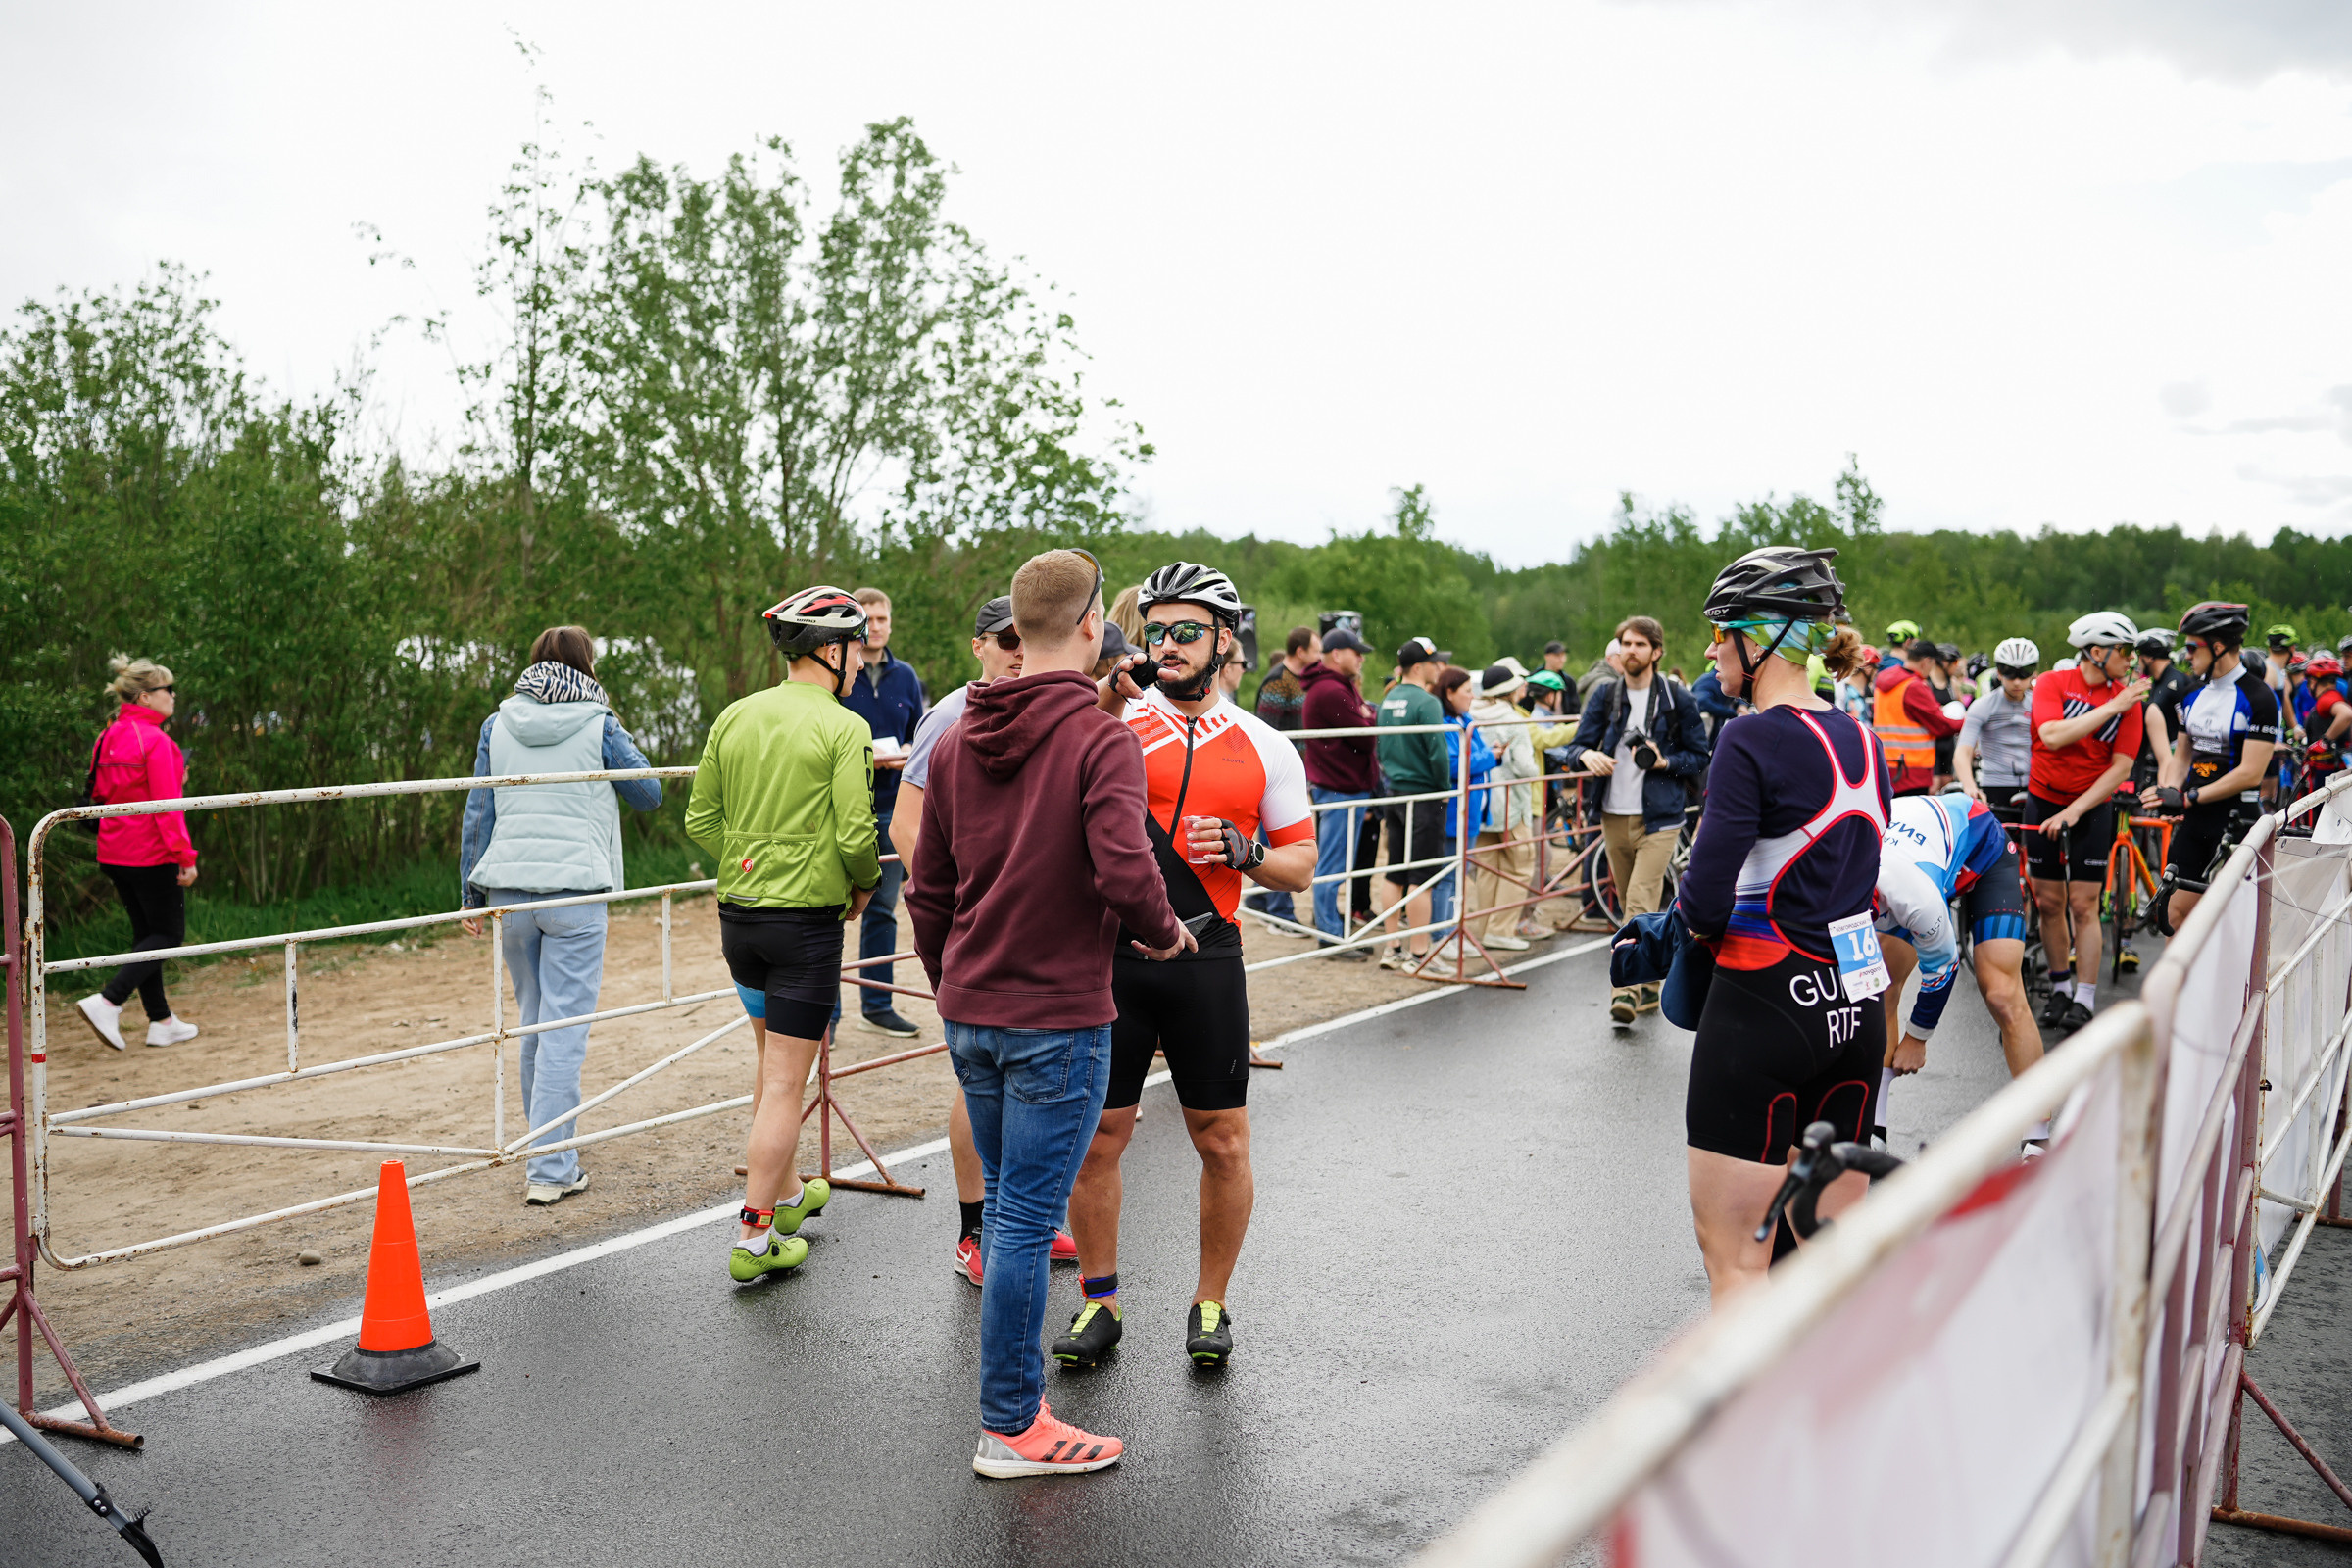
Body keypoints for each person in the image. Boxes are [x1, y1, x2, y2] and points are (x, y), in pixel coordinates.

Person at [906, 547, 1192, 1478]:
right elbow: (1122, 865)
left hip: (972, 1009)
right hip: (1056, 1017)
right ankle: (1012, 1426)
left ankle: (1011, 1415)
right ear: (1089, 626)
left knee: (1008, 1215)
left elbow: (929, 884)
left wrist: (951, 975)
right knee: (1028, 1222)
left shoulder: (952, 739)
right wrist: (1164, 933)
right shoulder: (1100, 740)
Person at [1052, 562, 1314, 1374]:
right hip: (1115, 956)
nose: (1166, 645)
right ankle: (1100, 1300)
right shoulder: (1118, 719)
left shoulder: (1265, 744)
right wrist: (1106, 698)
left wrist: (1248, 850)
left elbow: (1301, 865)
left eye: (1186, 631)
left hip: (1209, 955)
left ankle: (1210, 1301)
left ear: (1224, 640)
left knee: (1223, 1141)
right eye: (1155, 629)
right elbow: (1061, 774)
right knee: (1099, 1139)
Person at [1676, 547, 1885, 1306]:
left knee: (1740, 1269)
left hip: (1764, 1005)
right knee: (1822, 1264)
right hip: (1855, 1012)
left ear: (1759, 641)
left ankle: (1752, 1429)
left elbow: (1703, 902)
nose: (1709, 649)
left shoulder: (1748, 738)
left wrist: (1671, 932)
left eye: (1719, 631)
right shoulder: (1864, 738)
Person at [687, 587, 881, 1283]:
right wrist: (862, 884)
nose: (859, 661)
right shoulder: (845, 726)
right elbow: (859, 834)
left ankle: (792, 1193)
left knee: (773, 1068)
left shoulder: (735, 715)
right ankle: (755, 1236)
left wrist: (750, 860)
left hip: (739, 916)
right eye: (855, 647)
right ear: (830, 650)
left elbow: (701, 821)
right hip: (805, 925)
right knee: (782, 1086)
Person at [890, 596, 1081, 1285]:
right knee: (982, 1088)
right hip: (975, 939)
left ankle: (1027, 1224)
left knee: (1030, 1089)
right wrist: (968, 904)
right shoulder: (951, 715)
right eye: (1003, 642)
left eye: (1023, 639)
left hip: (1032, 945)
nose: (1016, 653)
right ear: (978, 646)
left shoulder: (1043, 709)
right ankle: (975, 1232)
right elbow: (905, 827)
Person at [456, 627, 665, 1206]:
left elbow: (480, 807)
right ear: (587, 666)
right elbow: (648, 792)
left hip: (511, 891)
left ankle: (543, 1144)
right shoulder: (598, 722)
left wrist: (471, 894)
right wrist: (613, 731)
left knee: (534, 1021)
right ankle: (551, 1167)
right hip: (574, 890)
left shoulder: (497, 724)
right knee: (565, 1030)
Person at [1871, 791, 2043, 1149]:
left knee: (2001, 992)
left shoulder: (1913, 896)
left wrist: (1917, 1037)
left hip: (1982, 850)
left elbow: (1944, 966)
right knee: (1881, 987)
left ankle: (2037, 1135)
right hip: (1918, 852)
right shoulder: (1837, 878)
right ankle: (1874, 1126)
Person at [1564, 615, 1711, 1023]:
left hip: (1660, 818)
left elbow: (1699, 757)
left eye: (1640, 644)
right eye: (1625, 643)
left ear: (1657, 651)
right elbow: (1573, 746)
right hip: (1613, 814)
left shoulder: (1677, 699)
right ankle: (1650, 983)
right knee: (1633, 902)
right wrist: (1585, 756)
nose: (1631, 650)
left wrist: (1665, 761)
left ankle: (1624, 990)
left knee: (1638, 901)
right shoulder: (1606, 696)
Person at [2026, 612, 2147, 1035]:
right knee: (2049, 902)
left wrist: (2076, 809)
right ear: (2097, 652)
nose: (2130, 661)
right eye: (2124, 651)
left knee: (2083, 905)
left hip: (2092, 805)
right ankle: (2059, 987)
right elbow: (2053, 735)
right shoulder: (2052, 684)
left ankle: (2085, 997)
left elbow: (2121, 766)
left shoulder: (2130, 702)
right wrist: (2112, 705)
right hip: (2042, 798)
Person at [74, 658, 202, 1053]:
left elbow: (97, 793)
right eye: (168, 689)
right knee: (167, 935)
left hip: (113, 851)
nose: (174, 695)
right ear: (146, 696)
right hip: (150, 852)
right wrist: (186, 855)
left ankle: (161, 1021)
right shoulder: (158, 742)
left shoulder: (107, 735)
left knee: (146, 936)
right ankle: (109, 1000)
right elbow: (166, 806)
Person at [2151, 603, 2277, 935]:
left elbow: (2251, 773)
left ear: (2218, 646)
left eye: (2192, 646)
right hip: (2196, 822)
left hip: (2237, 820)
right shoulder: (2193, 693)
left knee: (2230, 929)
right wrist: (2170, 792)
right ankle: (2176, 989)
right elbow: (2182, 757)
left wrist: (2191, 796)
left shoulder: (2259, 697)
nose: (2186, 654)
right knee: (2171, 919)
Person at [840, 587, 927, 1039]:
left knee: (882, 908)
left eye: (882, 619)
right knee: (831, 910)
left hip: (894, 805)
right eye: (868, 619)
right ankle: (825, 1017)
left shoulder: (906, 676)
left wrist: (907, 753)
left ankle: (877, 1004)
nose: (876, 627)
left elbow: (919, 736)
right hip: (843, 805)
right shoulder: (838, 672)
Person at [1298, 627, 1380, 955]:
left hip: (1341, 787)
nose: (1361, 657)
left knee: (1336, 862)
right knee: (1333, 863)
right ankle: (1330, 935)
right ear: (1336, 653)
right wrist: (1369, 715)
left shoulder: (1332, 687)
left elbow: (1364, 730)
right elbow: (1367, 738)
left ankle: (1331, 926)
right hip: (1339, 790)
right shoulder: (1331, 690)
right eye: (1356, 651)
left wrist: (1366, 716)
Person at [1375, 637, 1449, 969]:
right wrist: (1444, 789)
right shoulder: (1427, 701)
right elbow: (1438, 753)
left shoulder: (1388, 699)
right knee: (1422, 875)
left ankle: (1392, 948)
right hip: (1423, 795)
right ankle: (1421, 953)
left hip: (1395, 792)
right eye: (1434, 663)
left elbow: (1380, 749)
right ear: (1419, 667)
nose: (1439, 668)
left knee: (1395, 871)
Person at [1470, 663, 1545, 950]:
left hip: (1482, 801)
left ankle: (1484, 927)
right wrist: (1537, 773)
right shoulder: (1513, 718)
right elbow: (1525, 766)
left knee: (1488, 867)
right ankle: (1500, 929)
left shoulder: (1473, 713)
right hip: (1510, 803)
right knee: (1521, 864)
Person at [1431, 666, 1497, 952]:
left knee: (1460, 875)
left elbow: (1474, 756)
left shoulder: (1466, 719)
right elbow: (1456, 764)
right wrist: (1491, 756)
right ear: (1450, 692)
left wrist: (1488, 756)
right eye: (1467, 690)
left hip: (1471, 811)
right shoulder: (1445, 723)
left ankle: (1453, 931)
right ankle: (1440, 935)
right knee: (1447, 874)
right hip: (1453, 813)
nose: (1472, 696)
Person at [1954, 638, 2038, 827]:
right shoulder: (1983, 705)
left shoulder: (2039, 703)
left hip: (2034, 784)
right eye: (2009, 673)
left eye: (2024, 673)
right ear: (1999, 672)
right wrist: (1969, 785)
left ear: (2033, 672)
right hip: (1995, 784)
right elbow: (1963, 750)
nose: (2016, 681)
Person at [1872, 637, 1964, 797]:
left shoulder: (1883, 682)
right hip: (1912, 771)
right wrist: (1967, 722)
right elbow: (1940, 725)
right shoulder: (1914, 686)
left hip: (1887, 765)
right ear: (1926, 662)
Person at [2300, 652, 2351, 788]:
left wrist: (2325, 741)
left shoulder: (2326, 698)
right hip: (2335, 767)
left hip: (2327, 769)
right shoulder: (2335, 696)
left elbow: (2346, 714)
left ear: (2314, 681)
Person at [1252, 626, 1318, 731]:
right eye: (1316, 652)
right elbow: (1266, 729)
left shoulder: (1302, 678)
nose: (1319, 657)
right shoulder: (1277, 681)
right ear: (1300, 652)